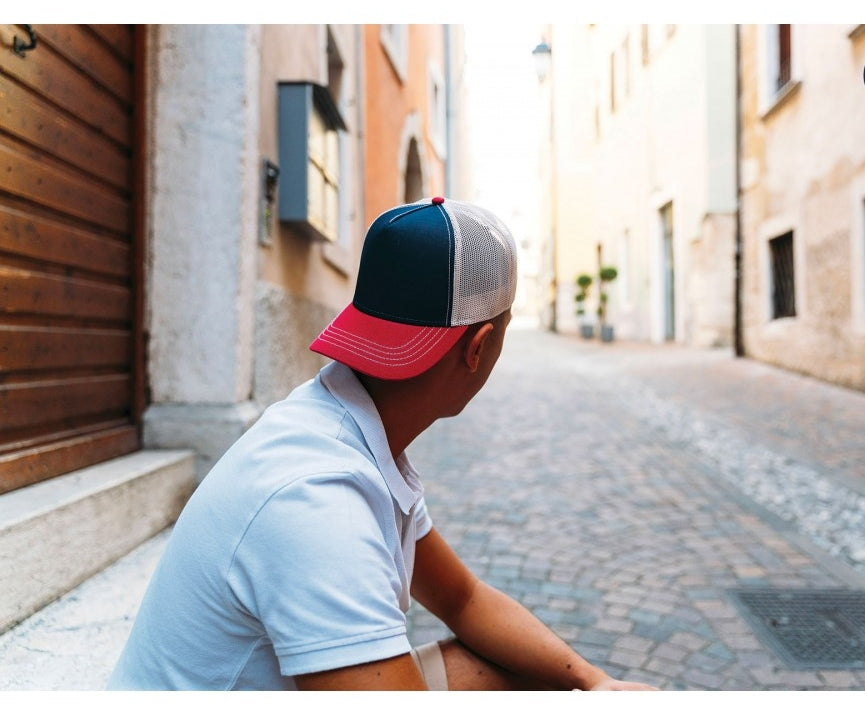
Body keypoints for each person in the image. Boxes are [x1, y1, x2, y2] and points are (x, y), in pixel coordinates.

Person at [108, 197, 656, 691]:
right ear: (479, 346)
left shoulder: (345, 421)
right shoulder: (320, 497)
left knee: (512, 670)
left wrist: (593, 682)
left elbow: (463, 598)